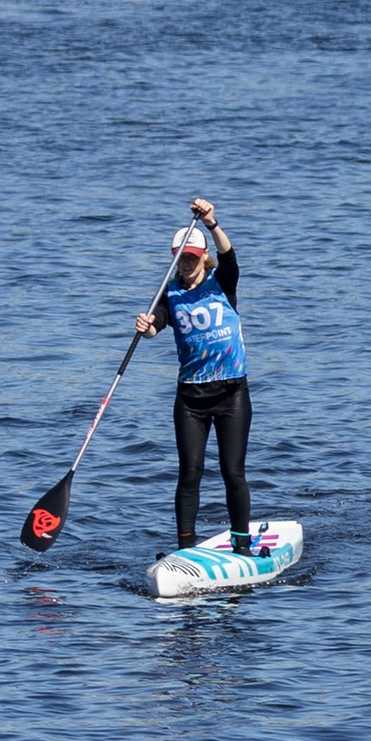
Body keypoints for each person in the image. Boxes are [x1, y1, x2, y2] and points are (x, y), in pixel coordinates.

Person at [138, 197, 255, 551]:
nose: (186, 262)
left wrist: (211, 223)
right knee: (189, 474)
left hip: (231, 394)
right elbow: (157, 323)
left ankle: (242, 545)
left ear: (204, 257)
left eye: (192, 256)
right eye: (181, 256)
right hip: (190, 399)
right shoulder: (168, 293)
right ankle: (184, 549)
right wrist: (148, 328)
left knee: (232, 472)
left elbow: (231, 256)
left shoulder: (223, 282)